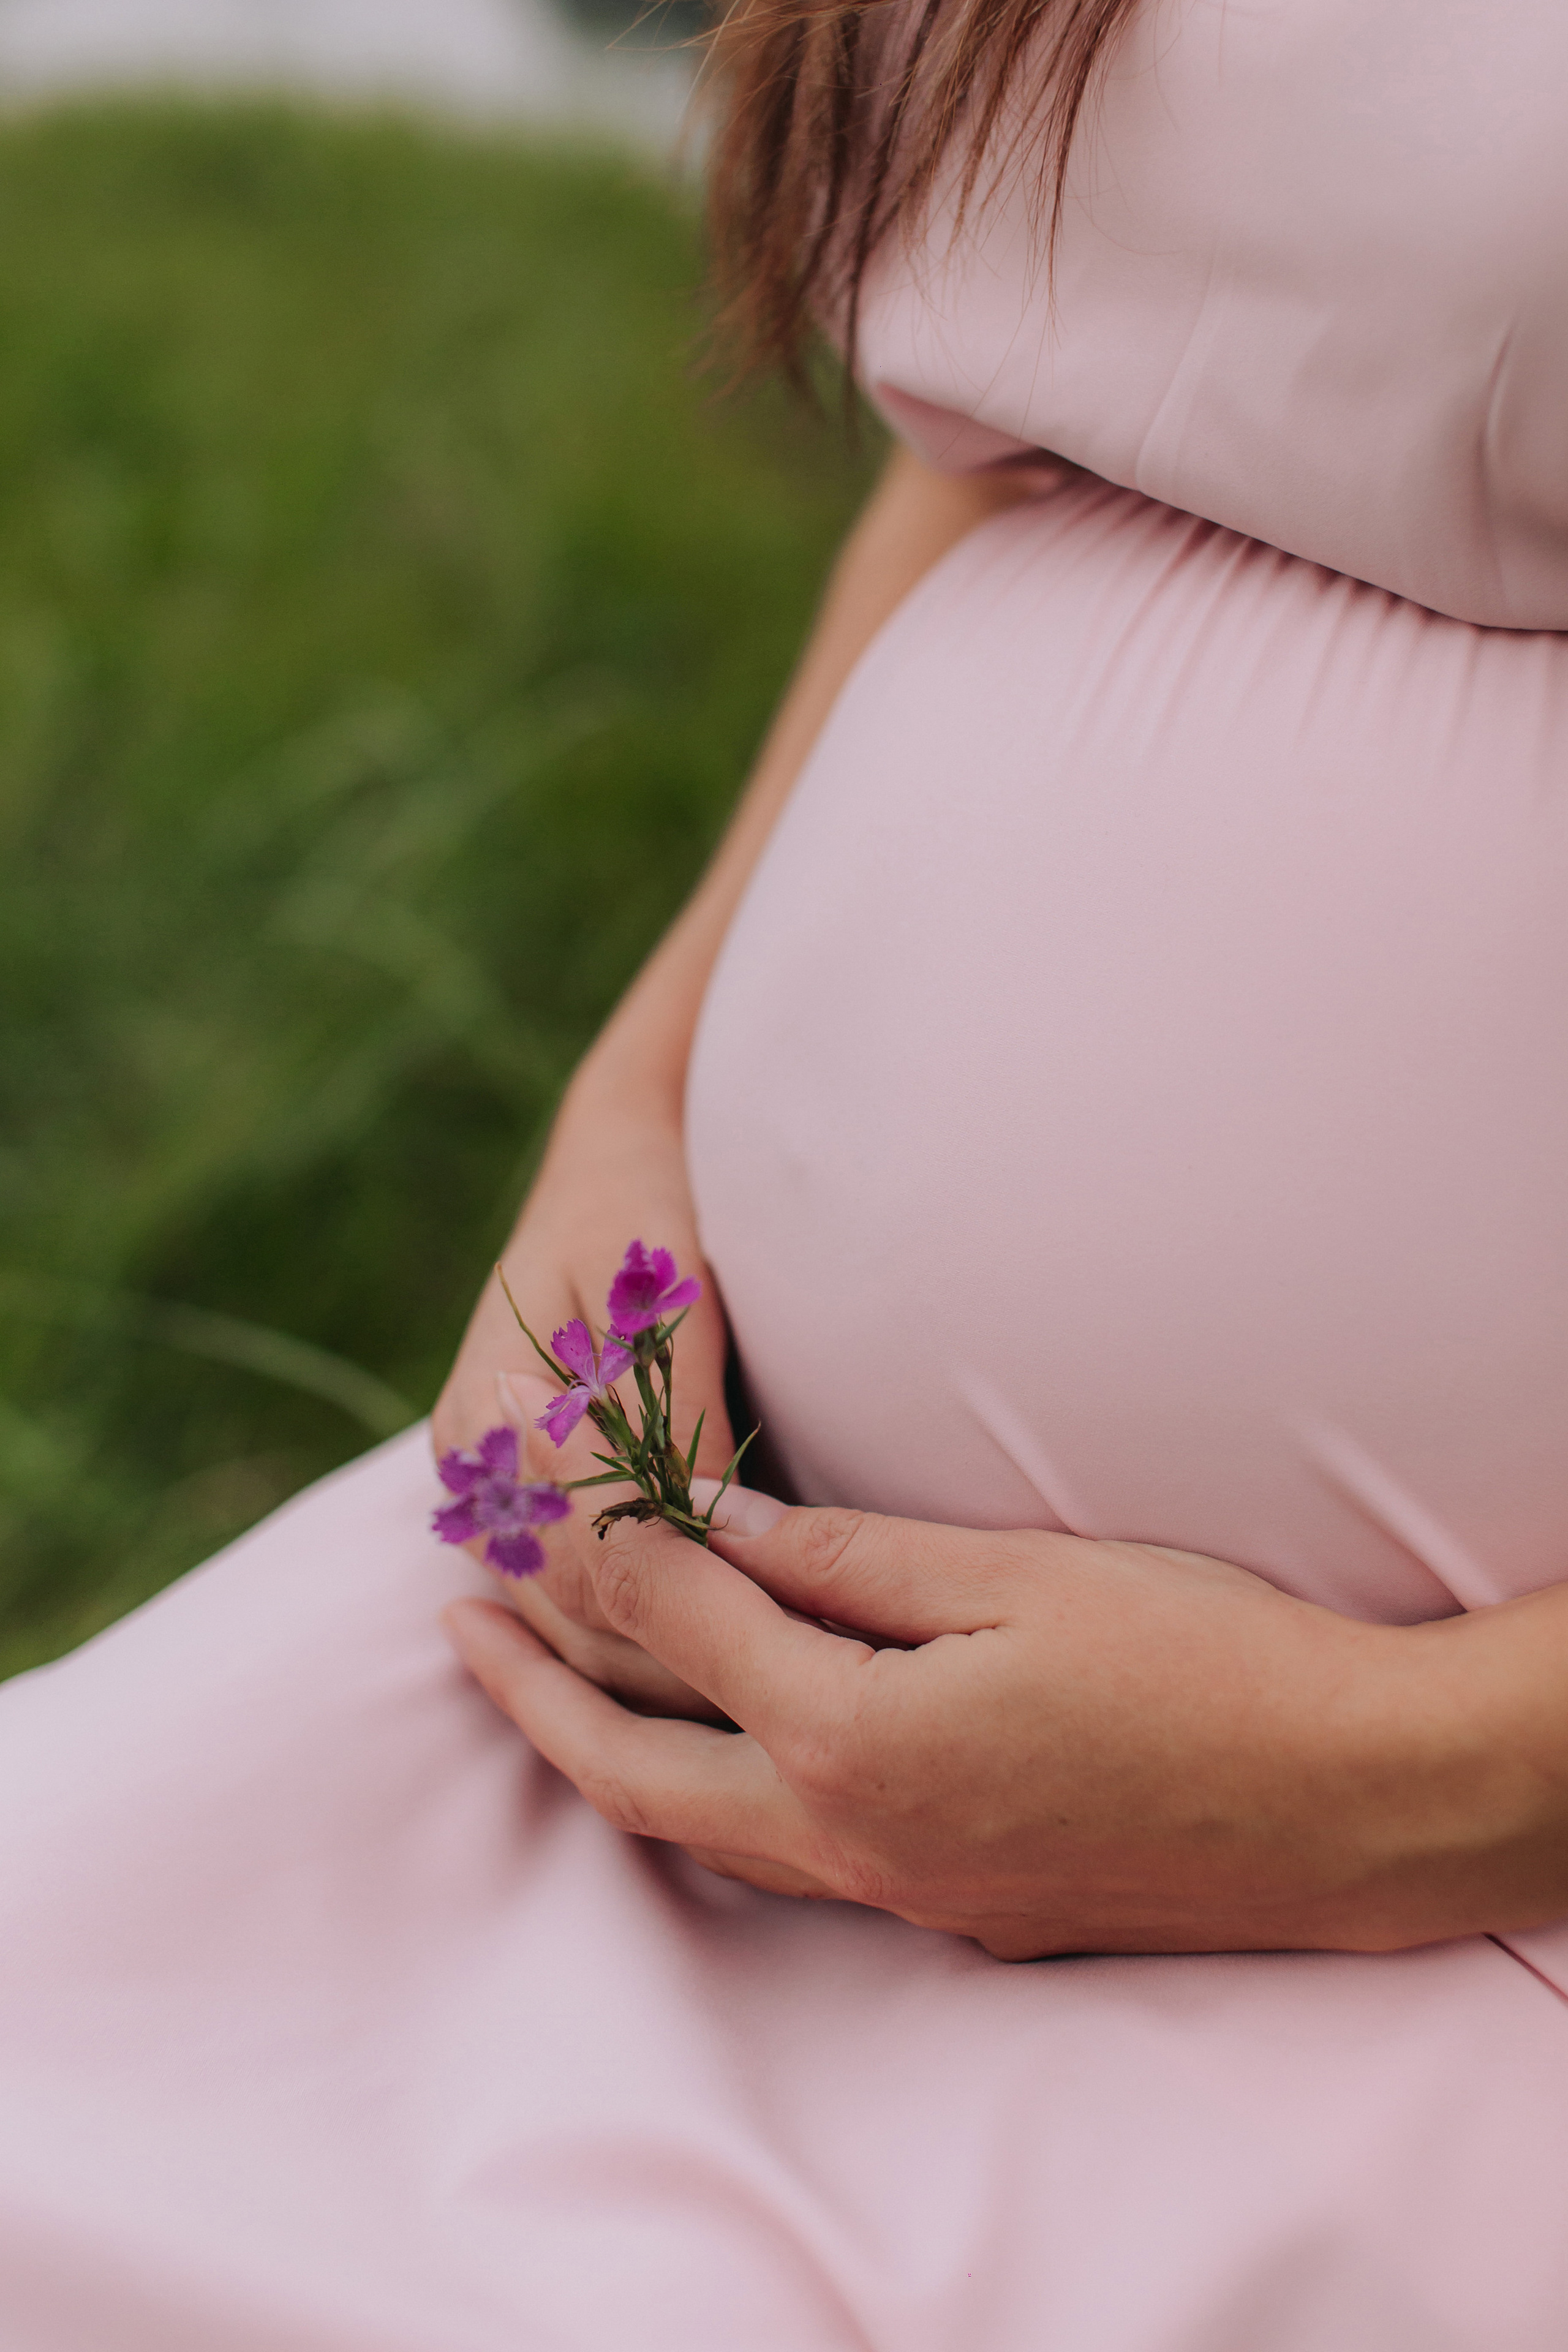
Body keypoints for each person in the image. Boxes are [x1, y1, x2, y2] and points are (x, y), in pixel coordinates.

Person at [6, 0, 1568, 2343]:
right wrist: (623, 1124)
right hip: (696, 1632)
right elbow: (1034, 423)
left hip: (1430, 1923)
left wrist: (1414, 1779)